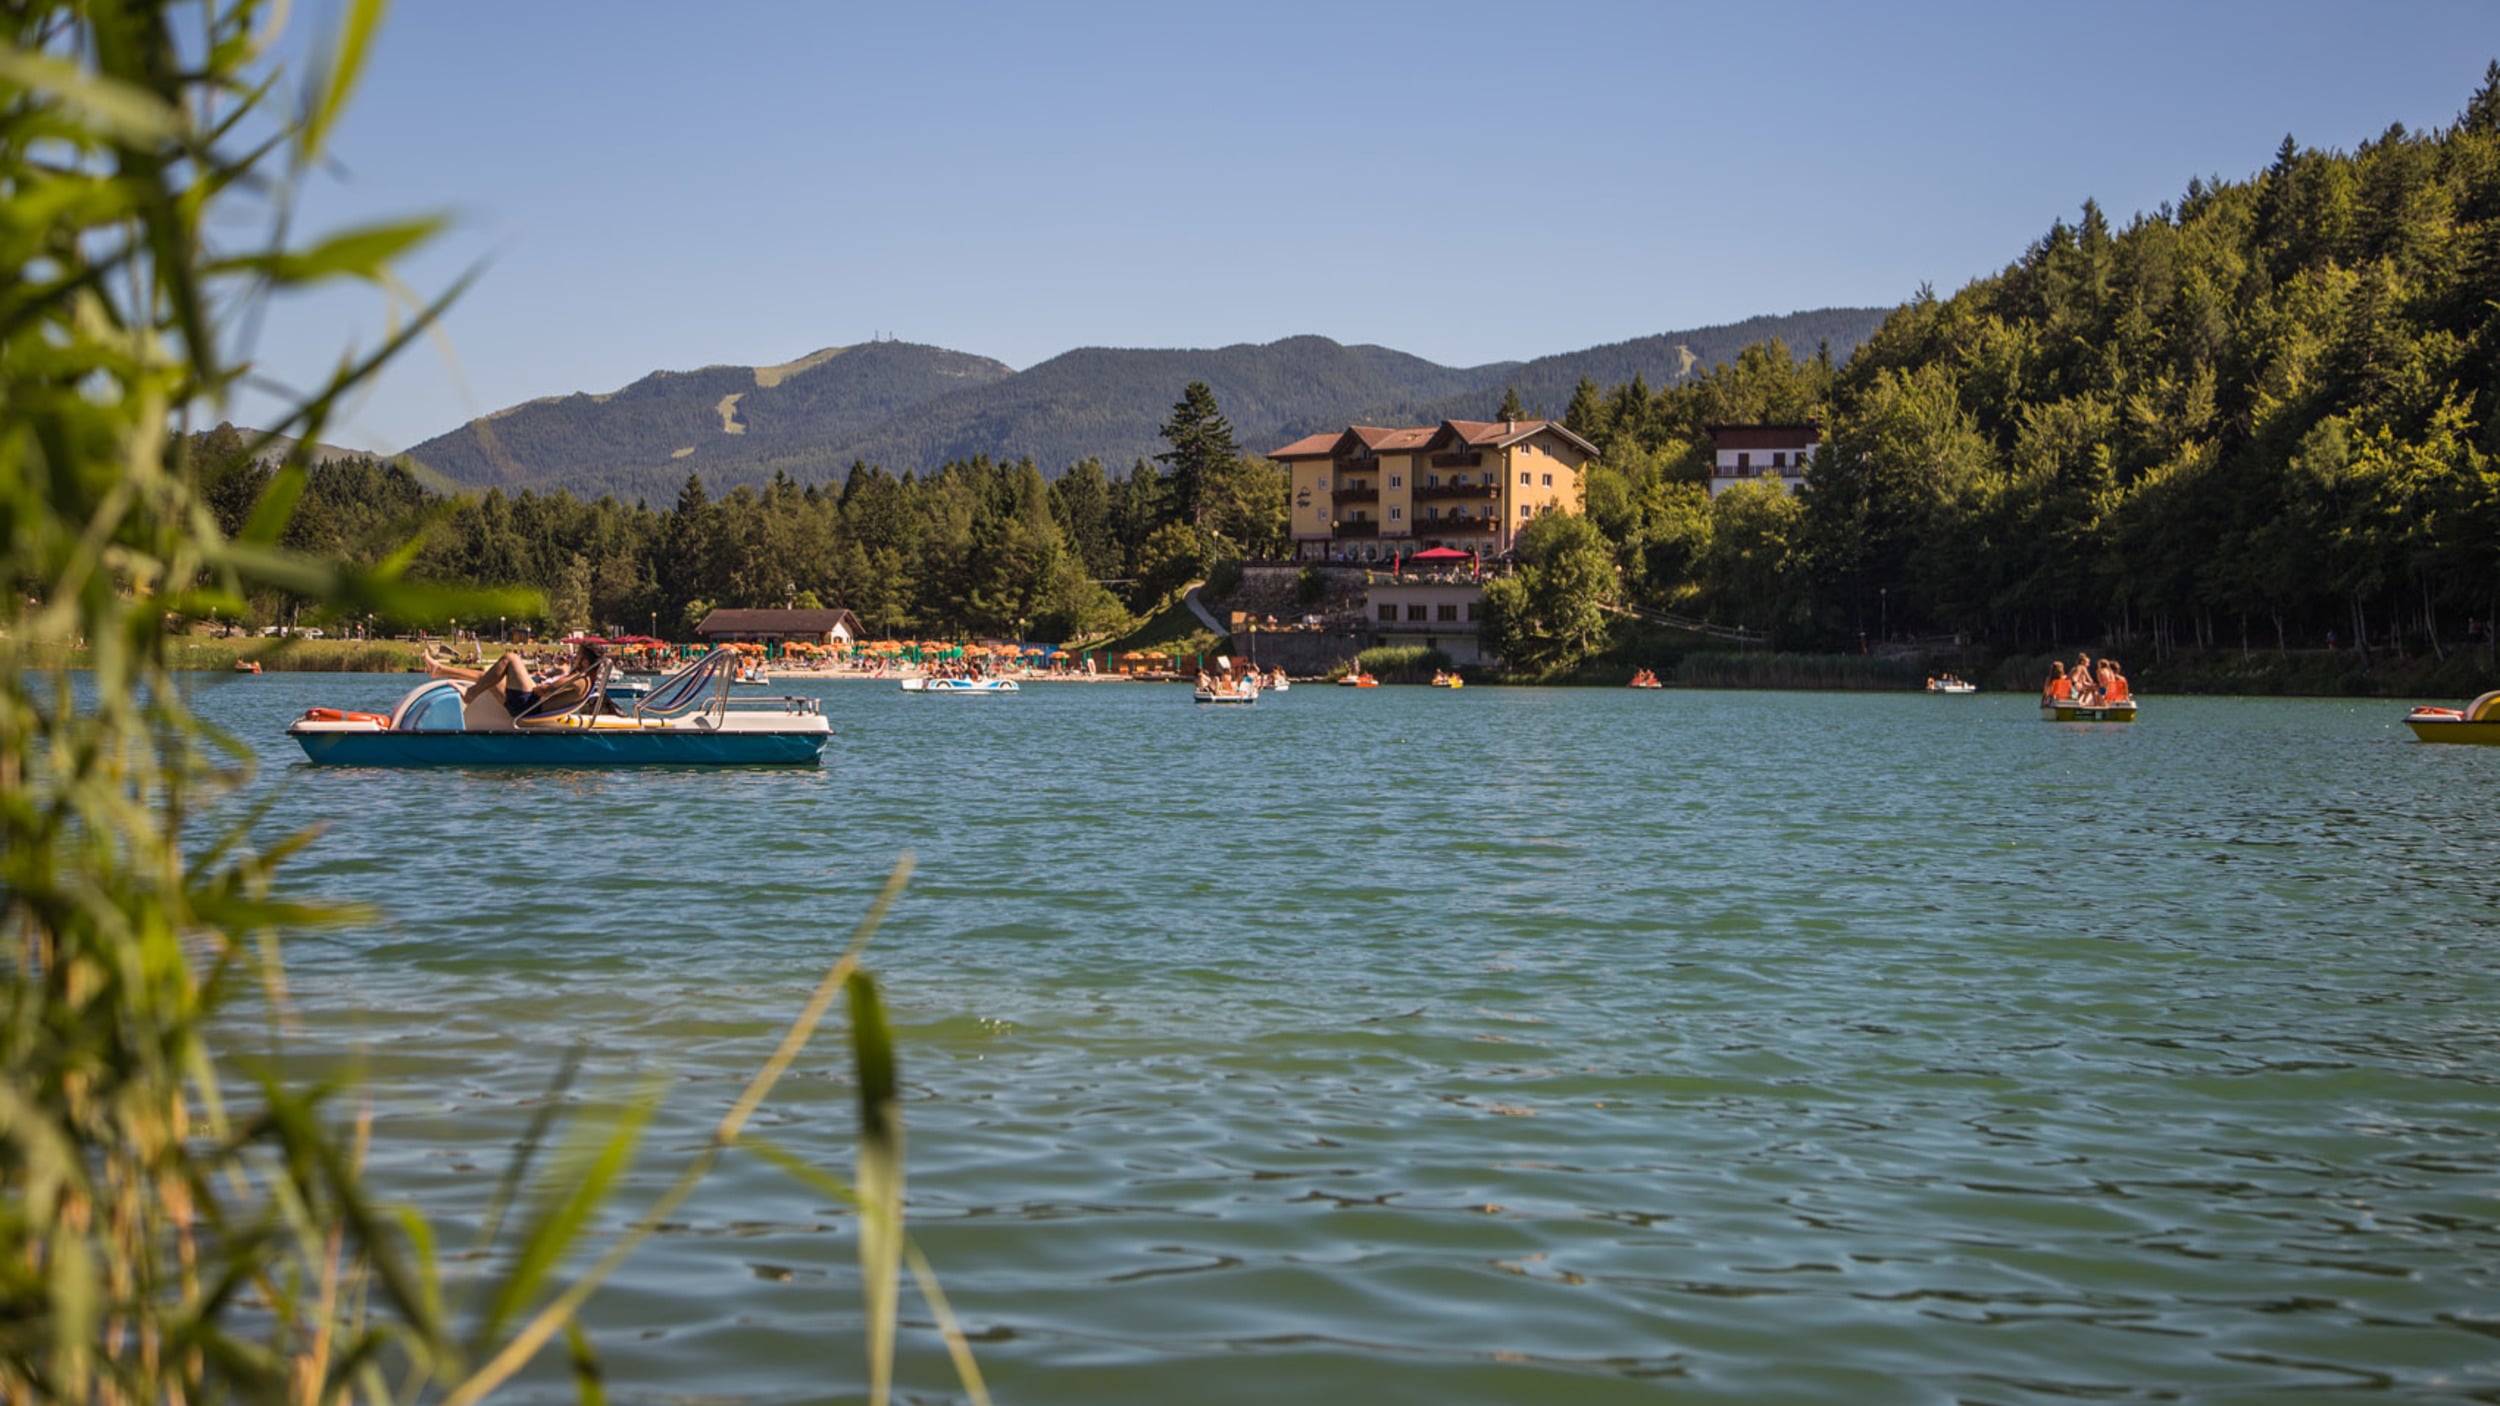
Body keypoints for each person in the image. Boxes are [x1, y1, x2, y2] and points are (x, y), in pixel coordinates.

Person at [463, 640, 603, 719]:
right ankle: (449, 674)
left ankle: (470, 694)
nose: (574, 658)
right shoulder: (586, 680)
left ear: (585, 662)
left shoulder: (579, 680)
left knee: (510, 658)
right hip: (527, 707)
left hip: (527, 707)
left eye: (578, 655)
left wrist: (532, 685)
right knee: (488, 677)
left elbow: (545, 690)